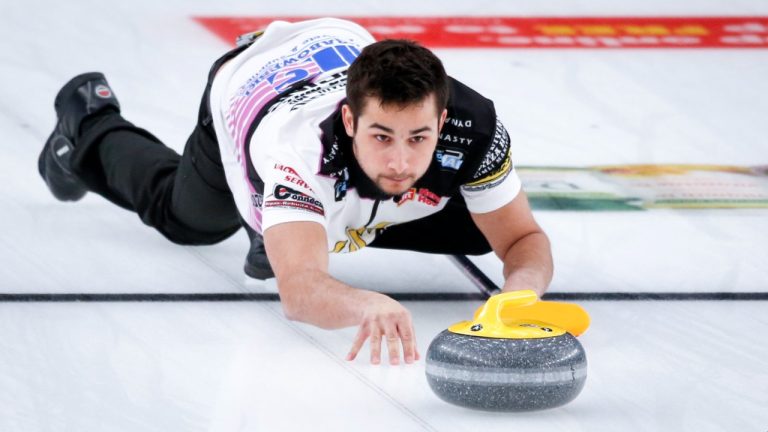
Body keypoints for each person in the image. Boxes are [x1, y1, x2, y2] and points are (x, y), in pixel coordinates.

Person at [38, 18, 553, 365]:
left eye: (418, 138)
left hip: (333, 47)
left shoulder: (475, 128)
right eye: (381, 137)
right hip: (247, 84)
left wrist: (521, 292)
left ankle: (294, 227)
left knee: (477, 228)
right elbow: (300, 293)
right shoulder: (298, 151)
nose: (401, 162)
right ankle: (88, 125)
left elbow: (522, 239)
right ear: (349, 121)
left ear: (441, 121)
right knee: (189, 221)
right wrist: (365, 304)